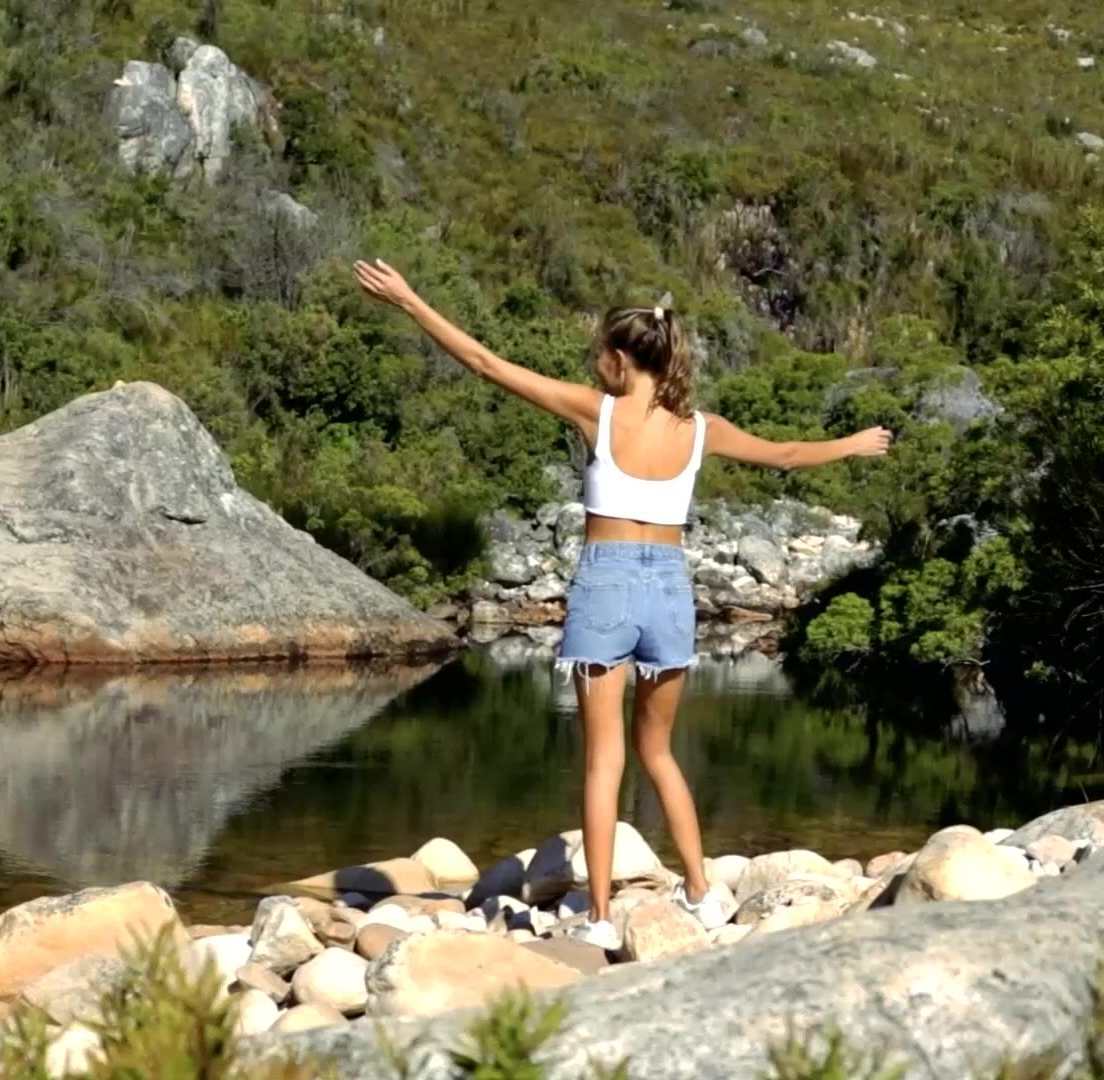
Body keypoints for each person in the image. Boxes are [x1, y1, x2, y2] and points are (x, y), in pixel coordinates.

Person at [354, 259, 893, 950]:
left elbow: (486, 364)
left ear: (619, 359)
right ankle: (700, 892)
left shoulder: (597, 411)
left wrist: (409, 299)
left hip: (605, 584)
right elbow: (785, 453)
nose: (595, 364)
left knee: (603, 761)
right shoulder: (700, 429)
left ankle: (603, 917)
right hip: (670, 587)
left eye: (599, 354)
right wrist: (853, 445)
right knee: (658, 752)